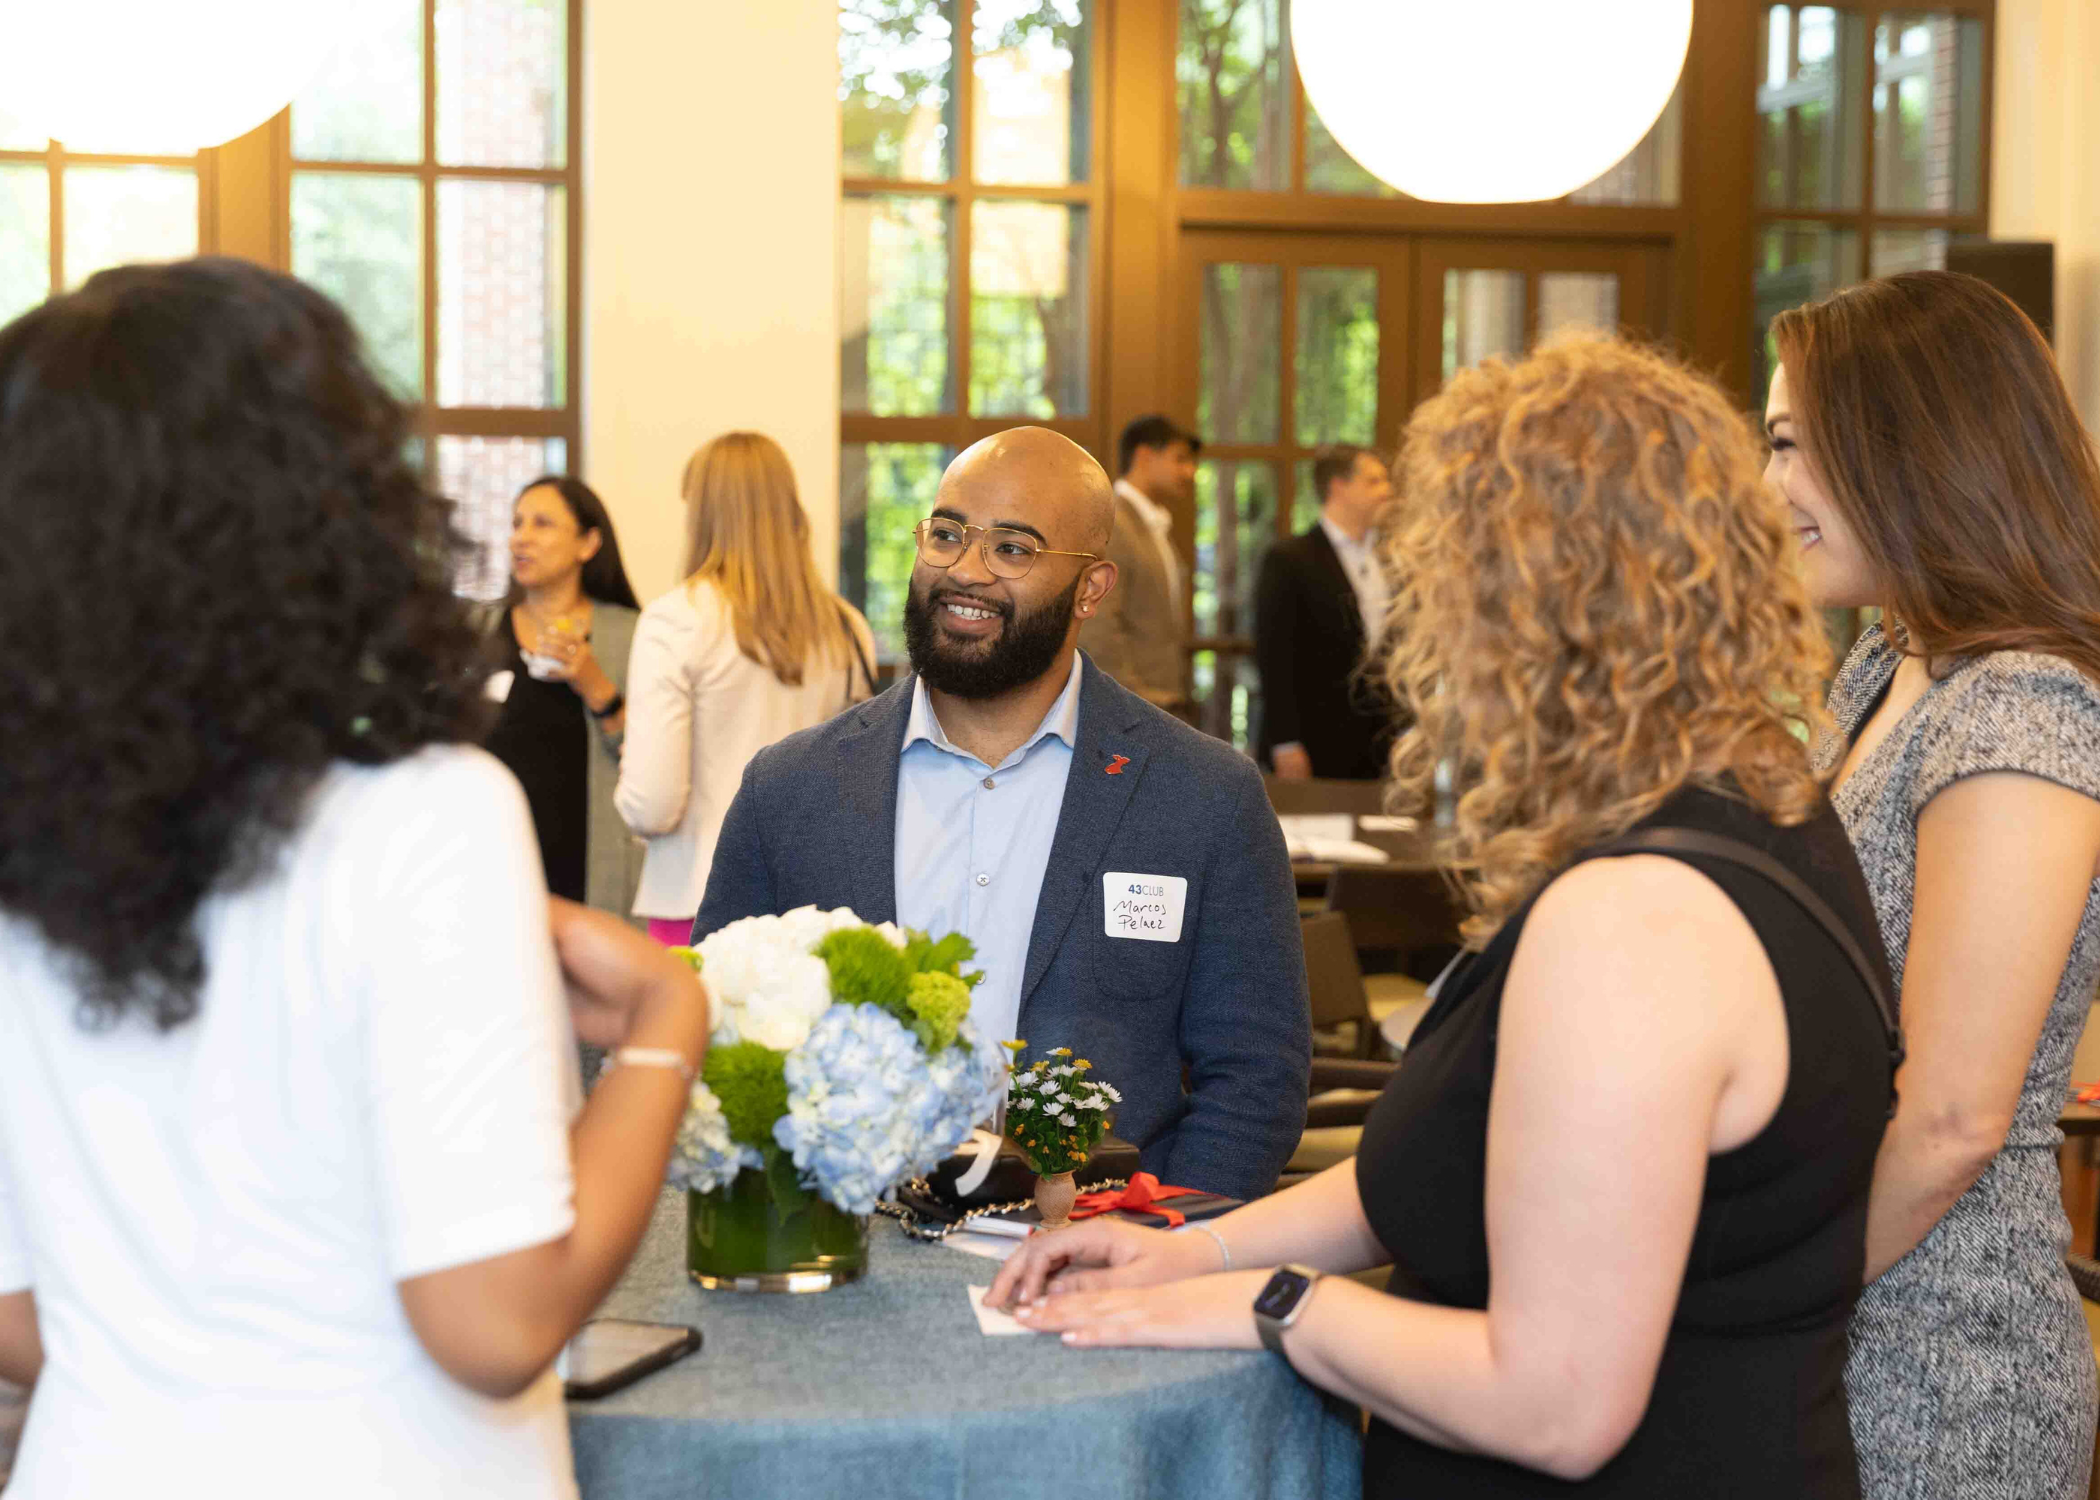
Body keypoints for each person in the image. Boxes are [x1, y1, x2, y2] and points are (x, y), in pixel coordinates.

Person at [986, 336, 1898, 1499]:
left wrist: (1273, 1307)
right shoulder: (1764, 798)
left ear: (1527, 611)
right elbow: (1434, 1171)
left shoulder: (1633, 919)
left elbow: (1555, 1402)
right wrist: (1191, 1250)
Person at [0, 259, 709, 1498]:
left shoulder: (26, 844)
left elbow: (22, 1318)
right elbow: (494, 1325)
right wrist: (661, 1030)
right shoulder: (423, 820)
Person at [694, 427, 1311, 1202]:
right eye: (947, 535)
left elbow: (1256, 1078)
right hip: (847, 1262)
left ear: (1091, 587)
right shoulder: (791, 790)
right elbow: (716, 1039)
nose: (965, 571)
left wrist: (1153, 1241)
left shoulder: (1202, 796)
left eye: (1013, 550)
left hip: (1101, 1271)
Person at [1767, 270, 2100, 1498]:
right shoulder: (1887, 661)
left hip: (1940, 1362)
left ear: (1906, 447)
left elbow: (1956, 1119)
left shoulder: (2021, 703)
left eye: (1792, 446)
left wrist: (1763, 1292)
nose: (1769, 491)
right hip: (1839, 1304)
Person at [616, 432, 876, 946]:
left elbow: (653, 802)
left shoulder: (675, 620)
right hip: (816, 907)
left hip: (697, 899)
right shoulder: (846, 629)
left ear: (705, 513)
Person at [484, 475, 643, 919]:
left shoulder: (631, 636)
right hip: (492, 868)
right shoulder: (478, 633)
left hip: (591, 873)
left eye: (542, 524)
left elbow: (653, 764)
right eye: (517, 524)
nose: (521, 538)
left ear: (588, 543)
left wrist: (598, 688)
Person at [1254, 443, 1401, 781]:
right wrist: (1285, 742)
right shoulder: (1289, 559)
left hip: (1382, 752)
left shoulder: (1393, 561)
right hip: (1314, 746)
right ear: (1339, 487)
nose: (1387, 491)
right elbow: (1274, 658)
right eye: (1374, 481)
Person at [1079, 414, 1199, 712]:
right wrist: (1135, 698)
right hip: (1133, 708)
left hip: (1160, 705)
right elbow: (1100, 622)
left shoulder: (1154, 525)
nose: (1190, 471)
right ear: (1144, 456)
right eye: (1180, 459)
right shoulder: (1115, 520)